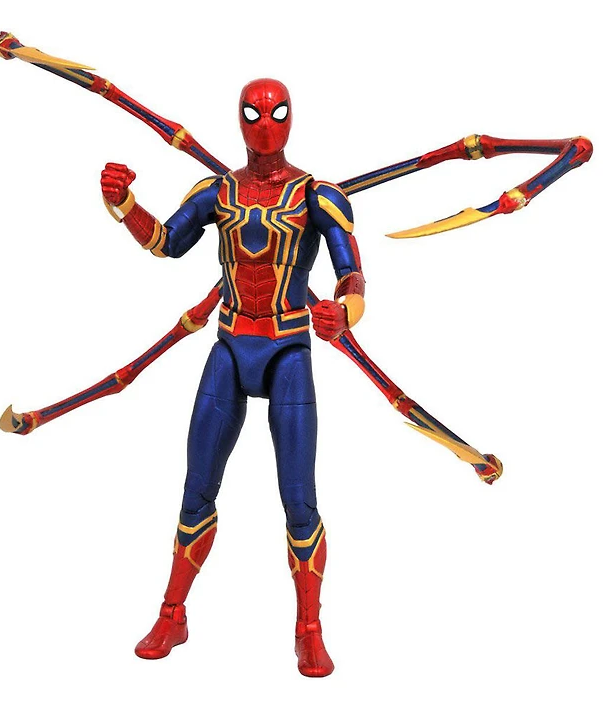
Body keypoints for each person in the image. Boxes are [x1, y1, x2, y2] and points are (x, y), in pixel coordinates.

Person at [100, 78, 365, 678]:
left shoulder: (319, 196)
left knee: (299, 497)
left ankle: (309, 629)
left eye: (276, 113)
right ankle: (172, 613)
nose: (265, 125)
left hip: (288, 350)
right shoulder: (217, 191)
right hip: (229, 345)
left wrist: (343, 313)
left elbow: (352, 277)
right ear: (239, 120)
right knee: (197, 485)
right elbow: (166, 243)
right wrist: (124, 205)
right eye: (253, 114)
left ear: (291, 119)